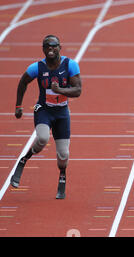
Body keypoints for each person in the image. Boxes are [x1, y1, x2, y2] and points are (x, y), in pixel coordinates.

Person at [11, 35, 82, 199]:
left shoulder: (70, 65)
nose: (50, 49)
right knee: (42, 138)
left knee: (63, 155)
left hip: (62, 113)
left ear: (60, 47)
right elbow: (23, 82)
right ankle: (24, 159)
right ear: (43, 49)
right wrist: (18, 106)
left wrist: (60, 91)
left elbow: (78, 90)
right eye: (47, 46)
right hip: (44, 110)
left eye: (54, 46)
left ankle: (62, 174)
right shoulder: (37, 67)